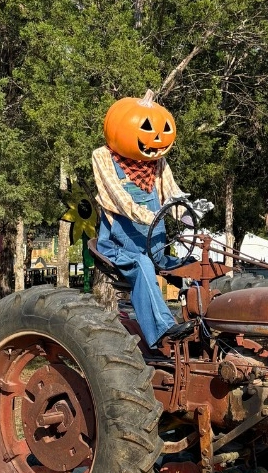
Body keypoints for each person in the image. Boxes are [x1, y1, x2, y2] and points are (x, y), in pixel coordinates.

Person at [91, 94, 194, 347]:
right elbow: (117, 198)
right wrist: (150, 215)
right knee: (142, 265)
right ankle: (163, 328)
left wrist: (190, 215)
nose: (156, 138)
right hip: (120, 246)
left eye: (163, 130)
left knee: (197, 266)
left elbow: (172, 194)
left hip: (155, 244)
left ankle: (207, 320)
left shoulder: (157, 161)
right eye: (148, 129)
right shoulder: (103, 156)